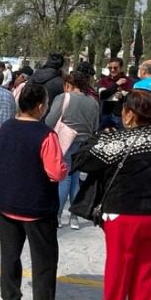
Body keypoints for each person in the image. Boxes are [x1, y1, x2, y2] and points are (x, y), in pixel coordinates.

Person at [75, 90, 151, 300]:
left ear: (130, 113)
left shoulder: (119, 140)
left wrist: (99, 137)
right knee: (150, 272)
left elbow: (83, 162)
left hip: (126, 214)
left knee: (118, 273)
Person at [0, 81, 69, 300]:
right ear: (39, 107)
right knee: (44, 261)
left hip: (6, 203)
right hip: (36, 206)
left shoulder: (3, 129)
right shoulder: (46, 135)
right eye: (46, 104)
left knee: (10, 255)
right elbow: (56, 172)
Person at [46, 71, 100, 230]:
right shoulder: (93, 102)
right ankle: (74, 217)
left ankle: (57, 215)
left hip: (65, 143)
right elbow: (96, 126)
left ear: (68, 84)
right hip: (84, 145)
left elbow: (49, 121)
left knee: (64, 180)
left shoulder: (64, 98)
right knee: (77, 180)